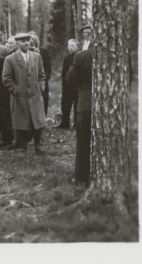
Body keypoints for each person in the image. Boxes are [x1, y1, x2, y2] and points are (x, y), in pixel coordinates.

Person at [2, 33, 47, 155]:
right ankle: (21, 146)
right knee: (20, 121)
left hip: (35, 94)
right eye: (23, 41)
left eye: (28, 40)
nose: (27, 43)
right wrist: (16, 90)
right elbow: (6, 79)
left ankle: (39, 146)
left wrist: (40, 87)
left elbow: (42, 75)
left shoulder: (36, 57)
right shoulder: (10, 59)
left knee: (39, 121)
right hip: (19, 96)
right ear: (17, 43)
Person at [66, 44, 93, 184]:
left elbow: (69, 79)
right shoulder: (119, 54)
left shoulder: (81, 56)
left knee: (83, 142)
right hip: (112, 108)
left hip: (86, 103)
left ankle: (81, 178)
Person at [55, 39, 79, 129]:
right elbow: (64, 72)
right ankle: (65, 122)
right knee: (65, 104)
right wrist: (64, 83)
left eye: (73, 46)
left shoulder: (78, 57)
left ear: (77, 47)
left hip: (76, 85)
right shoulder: (67, 58)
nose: (71, 48)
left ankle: (77, 123)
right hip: (67, 85)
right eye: (70, 46)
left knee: (77, 105)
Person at [28, 32, 52, 117]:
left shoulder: (43, 51)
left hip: (41, 81)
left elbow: (48, 67)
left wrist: (43, 79)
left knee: (43, 101)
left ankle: (43, 120)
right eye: (29, 40)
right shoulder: (25, 52)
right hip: (30, 81)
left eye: (32, 40)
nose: (31, 42)